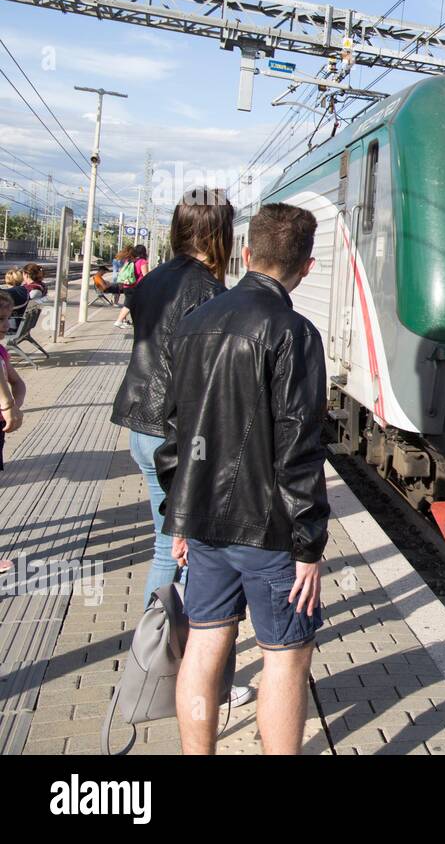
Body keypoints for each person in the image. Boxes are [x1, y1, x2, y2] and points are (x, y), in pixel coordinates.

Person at [159, 202, 328, 755]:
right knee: (284, 657)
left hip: (204, 527)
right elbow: (299, 447)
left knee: (205, 647)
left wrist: (179, 517)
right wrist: (310, 545)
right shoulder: (294, 333)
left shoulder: (192, 324)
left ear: (249, 255)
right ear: (305, 267)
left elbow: (173, 434)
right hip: (271, 533)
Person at [109, 193, 233, 610]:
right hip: (175, 437)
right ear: (221, 233)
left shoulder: (153, 279)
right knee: (174, 552)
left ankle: (161, 648)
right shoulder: (210, 292)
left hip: (142, 427)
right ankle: (159, 653)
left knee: (166, 545)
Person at [0, 292, 24, 574]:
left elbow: (18, 383)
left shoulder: (3, 352)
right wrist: (8, 406)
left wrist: (13, 407)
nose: (6, 326)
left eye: (7, 319)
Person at [113, 245, 150, 329]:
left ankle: (124, 321)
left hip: (127, 285)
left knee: (129, 303)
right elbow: (146, 276)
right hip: (136, 286)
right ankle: (119, 321)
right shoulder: (142, 261)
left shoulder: (130, 261)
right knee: (129, 305)